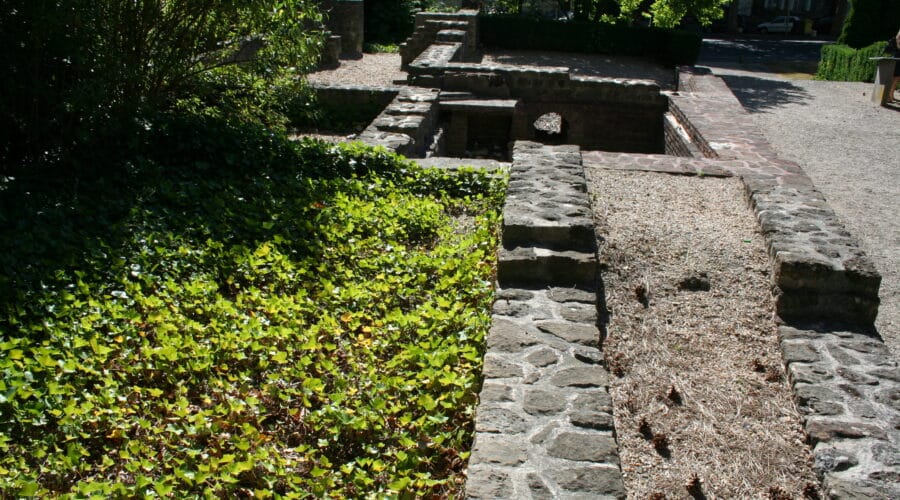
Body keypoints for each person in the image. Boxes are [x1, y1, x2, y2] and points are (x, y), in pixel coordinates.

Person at [890, 27, 900, 102]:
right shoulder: (898, 38)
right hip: (898, 58)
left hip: (897, 58)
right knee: (895, 78)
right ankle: (889, 95)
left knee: (896, 78)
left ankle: (891, 94)